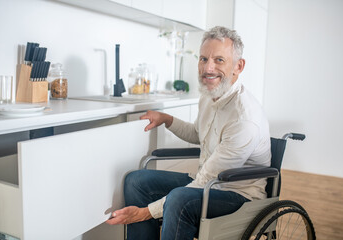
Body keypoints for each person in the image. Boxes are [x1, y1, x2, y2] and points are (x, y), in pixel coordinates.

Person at [106, 26, 271, 240]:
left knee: (178, 198)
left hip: (239, 196)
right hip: (207, 181)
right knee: (136, 181)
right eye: (203, 59)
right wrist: (166, 119)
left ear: (238, 66)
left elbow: (209, 180)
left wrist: (144, 213)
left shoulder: (244, 118)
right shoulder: (210, 96)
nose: (208, 68)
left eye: (219, 60)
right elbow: (197, 133)